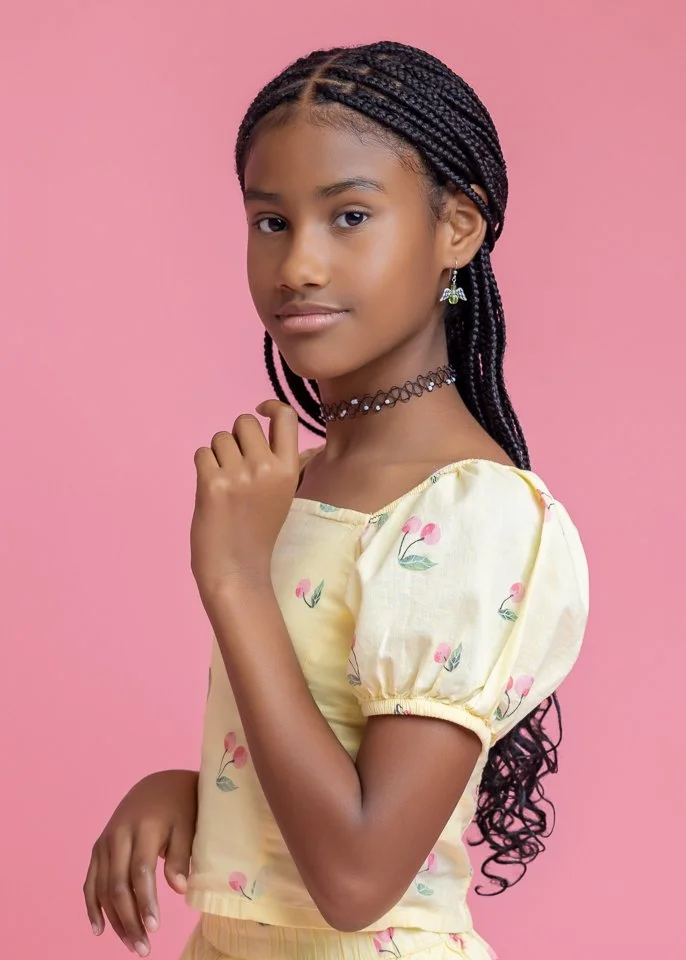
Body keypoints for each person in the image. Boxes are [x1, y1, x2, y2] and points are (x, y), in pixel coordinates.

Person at [83, 39, 589, 960]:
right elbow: (317, 760)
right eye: (270, 222)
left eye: (349, 215)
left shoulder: (476, 515)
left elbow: (356, 880)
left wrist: (234, 578)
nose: (299, 266)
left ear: (458, 231)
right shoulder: (299, 479)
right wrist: (194, 789)